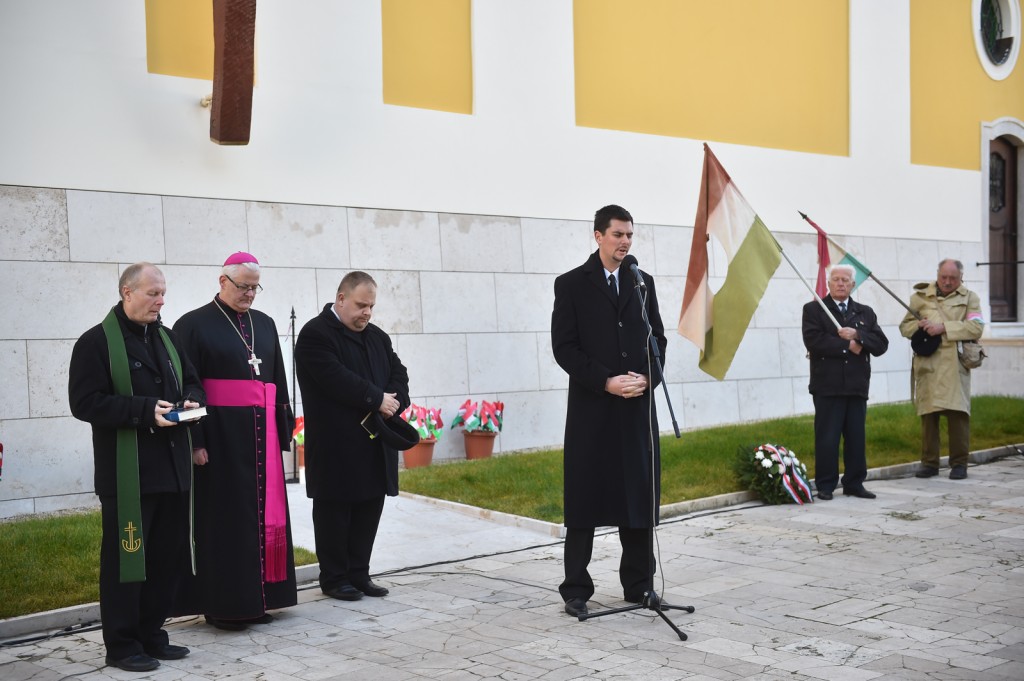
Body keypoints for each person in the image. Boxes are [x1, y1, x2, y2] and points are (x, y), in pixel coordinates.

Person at [69, 263, 204, 672]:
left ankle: (151, 634)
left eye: (163, 293)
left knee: (165, 559)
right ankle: (122, 644)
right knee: (126, 562)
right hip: (129, 475)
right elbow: (85, 403)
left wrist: (190, 402)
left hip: (173, 470)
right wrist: (145, 411)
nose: (161, 301)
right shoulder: (95, 343)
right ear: (127, 292)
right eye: (153, 293)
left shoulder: (168, 338)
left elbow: (192, 381)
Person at [550, 204, 667, 618]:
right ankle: (576, 590)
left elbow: (658, 340)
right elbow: (564, 348)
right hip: (592, 411)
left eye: (630, 235)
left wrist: (647, 379)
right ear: (598, 236)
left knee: (637, 498)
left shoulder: (641, 282)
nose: (625, 242)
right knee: (585, 498)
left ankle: (640, 585)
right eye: (618, 234)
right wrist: (606, 381)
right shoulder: (571, 284)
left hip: (636, 411)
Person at [170, 252, 297, 630]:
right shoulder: (192, 325)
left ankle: (262, 599)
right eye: (244, 286)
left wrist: (283, 430)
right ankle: (225, 606)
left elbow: (277, 379)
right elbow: (186, 387)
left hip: (261, 439)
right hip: (221, 439)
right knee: (226, 523)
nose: (250, 294)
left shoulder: (266, 323)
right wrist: (196, 441)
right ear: (223, 281)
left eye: (256, 287)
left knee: (263, 518)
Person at [294, 271, 412, 601]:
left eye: (371, 306)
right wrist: (377, 399)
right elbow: (336, 378)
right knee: (335, 511)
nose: (367, 313)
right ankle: (334, 578)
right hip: (336, 444)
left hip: (375, 441)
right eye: (361, 305)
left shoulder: (378, 337)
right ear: (341, 299)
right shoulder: (315, 334)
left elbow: (398, 373)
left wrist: (394, 401)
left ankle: (360, 573)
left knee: (369, 507)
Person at [802, 265, 889, 501]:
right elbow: (813, 341)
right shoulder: (814, 309)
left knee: (856, 438)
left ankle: (854, 483)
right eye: (836, 279)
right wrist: (847, 346)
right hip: (827, 385)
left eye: (845, 280)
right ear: (828, 283)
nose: (841, 283)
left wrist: (858, 335)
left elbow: (881, 344)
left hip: (856, 385)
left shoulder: (865, 312)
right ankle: (826, 484)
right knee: (827, 438)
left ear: (853, 284)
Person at [899, 259, 984, 480]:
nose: (947, 282)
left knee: (958, 415)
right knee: (928, 416)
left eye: (952, 278)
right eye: (943, 277)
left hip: (954, 365)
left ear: (961, 278)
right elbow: (904, 327)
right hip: (927, 363)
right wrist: (918, 326)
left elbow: (976, 327)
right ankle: (929, 463)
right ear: (937, 274)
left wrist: (943, 327)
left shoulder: (970, 298)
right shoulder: (920, 297)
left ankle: (959, 464)